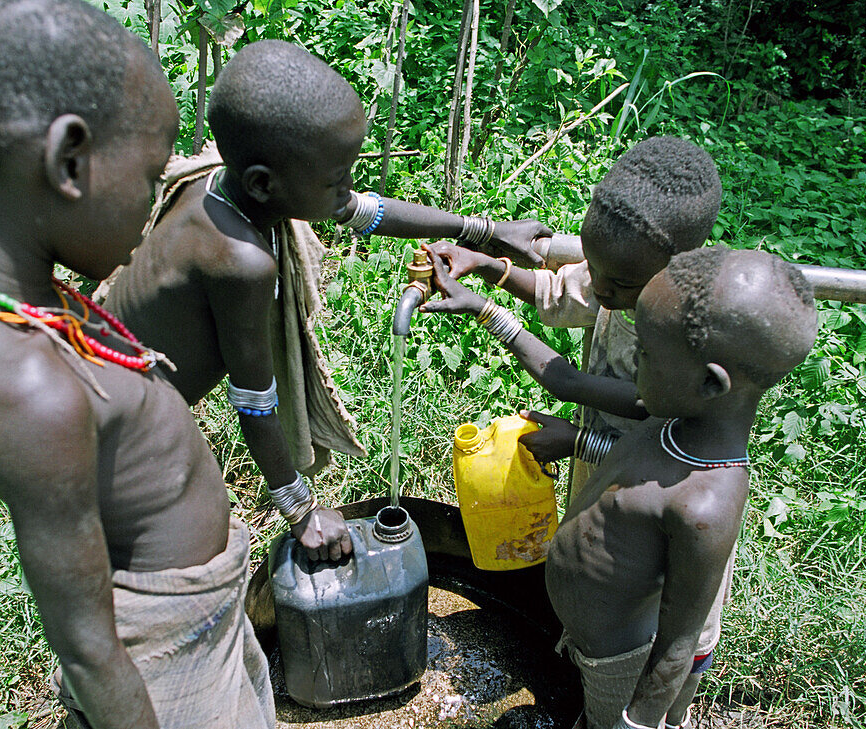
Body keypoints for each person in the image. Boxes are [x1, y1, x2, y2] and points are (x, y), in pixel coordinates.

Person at [0, 2, 273, 727]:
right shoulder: (25, 387)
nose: (152, 204)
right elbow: (88, 646)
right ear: (70, 162)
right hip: (161, 662)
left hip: (201, 618)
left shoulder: (4, 294)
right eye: (149, 176)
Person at [103, 39, 551, 561]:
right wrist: (302, 511)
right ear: (265, 184)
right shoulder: (239, 261)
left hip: (117, 393)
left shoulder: (224, 186)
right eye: (339, 180)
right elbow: (253, 399)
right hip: (120, 440)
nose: (351, 188)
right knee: (187, 562)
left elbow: (368, 211)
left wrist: (486, 232)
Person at [546, 246, 817, 728]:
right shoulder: (674, 420)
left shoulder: (705, 507)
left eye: (645, 354)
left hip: (624, 668)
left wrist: (638, 723)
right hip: (595, 643)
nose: (635, 364)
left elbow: (678, 646)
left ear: (712, 384)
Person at [422, 136, 722, 497]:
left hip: (649, 499)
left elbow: (568, 383)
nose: (599, 287)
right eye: (591, 266)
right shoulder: (628, 273)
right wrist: (487, 265)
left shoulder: (682, 340)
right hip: (598, 470)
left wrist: (483, 309)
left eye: (618, 282)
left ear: (679, 265)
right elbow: (556, 291)